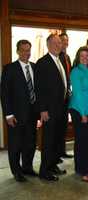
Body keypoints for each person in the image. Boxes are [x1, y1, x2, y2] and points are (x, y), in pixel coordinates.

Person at [1, 40, 38, 182]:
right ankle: (16, 171)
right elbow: (4, 94)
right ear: (17, 51)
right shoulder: (9, 68)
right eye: (23, 50)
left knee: (30, 143)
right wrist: (8, 115)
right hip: (16, 115)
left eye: (28, 50)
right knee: (16, 144)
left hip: (32, 114)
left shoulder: (35, 67)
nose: (26, 53)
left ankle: (27, 168)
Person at [35, 34, 68, 181]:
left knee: (57, 139)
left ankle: (53, 165)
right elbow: (39, 88)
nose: (58, 45)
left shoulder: (60, 59)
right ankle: (44, 171)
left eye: (59, 43)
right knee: (48, 141)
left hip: (61, 108)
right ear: (48, 45)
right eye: (55, 43)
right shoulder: (43, 62)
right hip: (49, 110)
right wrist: (43, 110)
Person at [69, 46, 88, 182]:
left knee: (83, 140)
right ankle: (85, 170)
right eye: (82, 56)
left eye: (87, 56)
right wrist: (83, 113)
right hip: (79, 110)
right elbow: (78, 93)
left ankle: (80, 167)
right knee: (83, 141)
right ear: (78, 58)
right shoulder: (75, 71)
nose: (85, 58)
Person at [59, 32, 73, 159]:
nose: (65, 43)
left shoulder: (67, 57)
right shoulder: (56, 57)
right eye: (62, 41)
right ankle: (56, 153)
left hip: (67, 96)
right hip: (57, 99)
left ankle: (62, 151)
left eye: (66, 41)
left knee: (63, 124)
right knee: (57, 127)